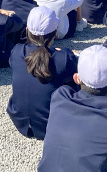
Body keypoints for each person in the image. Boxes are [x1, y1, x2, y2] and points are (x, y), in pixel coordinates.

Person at [6, 7, 79, 140]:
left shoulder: (17, 51)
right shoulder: (63, 58)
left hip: (20, 120)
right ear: (54, 33)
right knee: (75, 81)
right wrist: (65, 53)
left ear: (27, 30)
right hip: (52, 125)